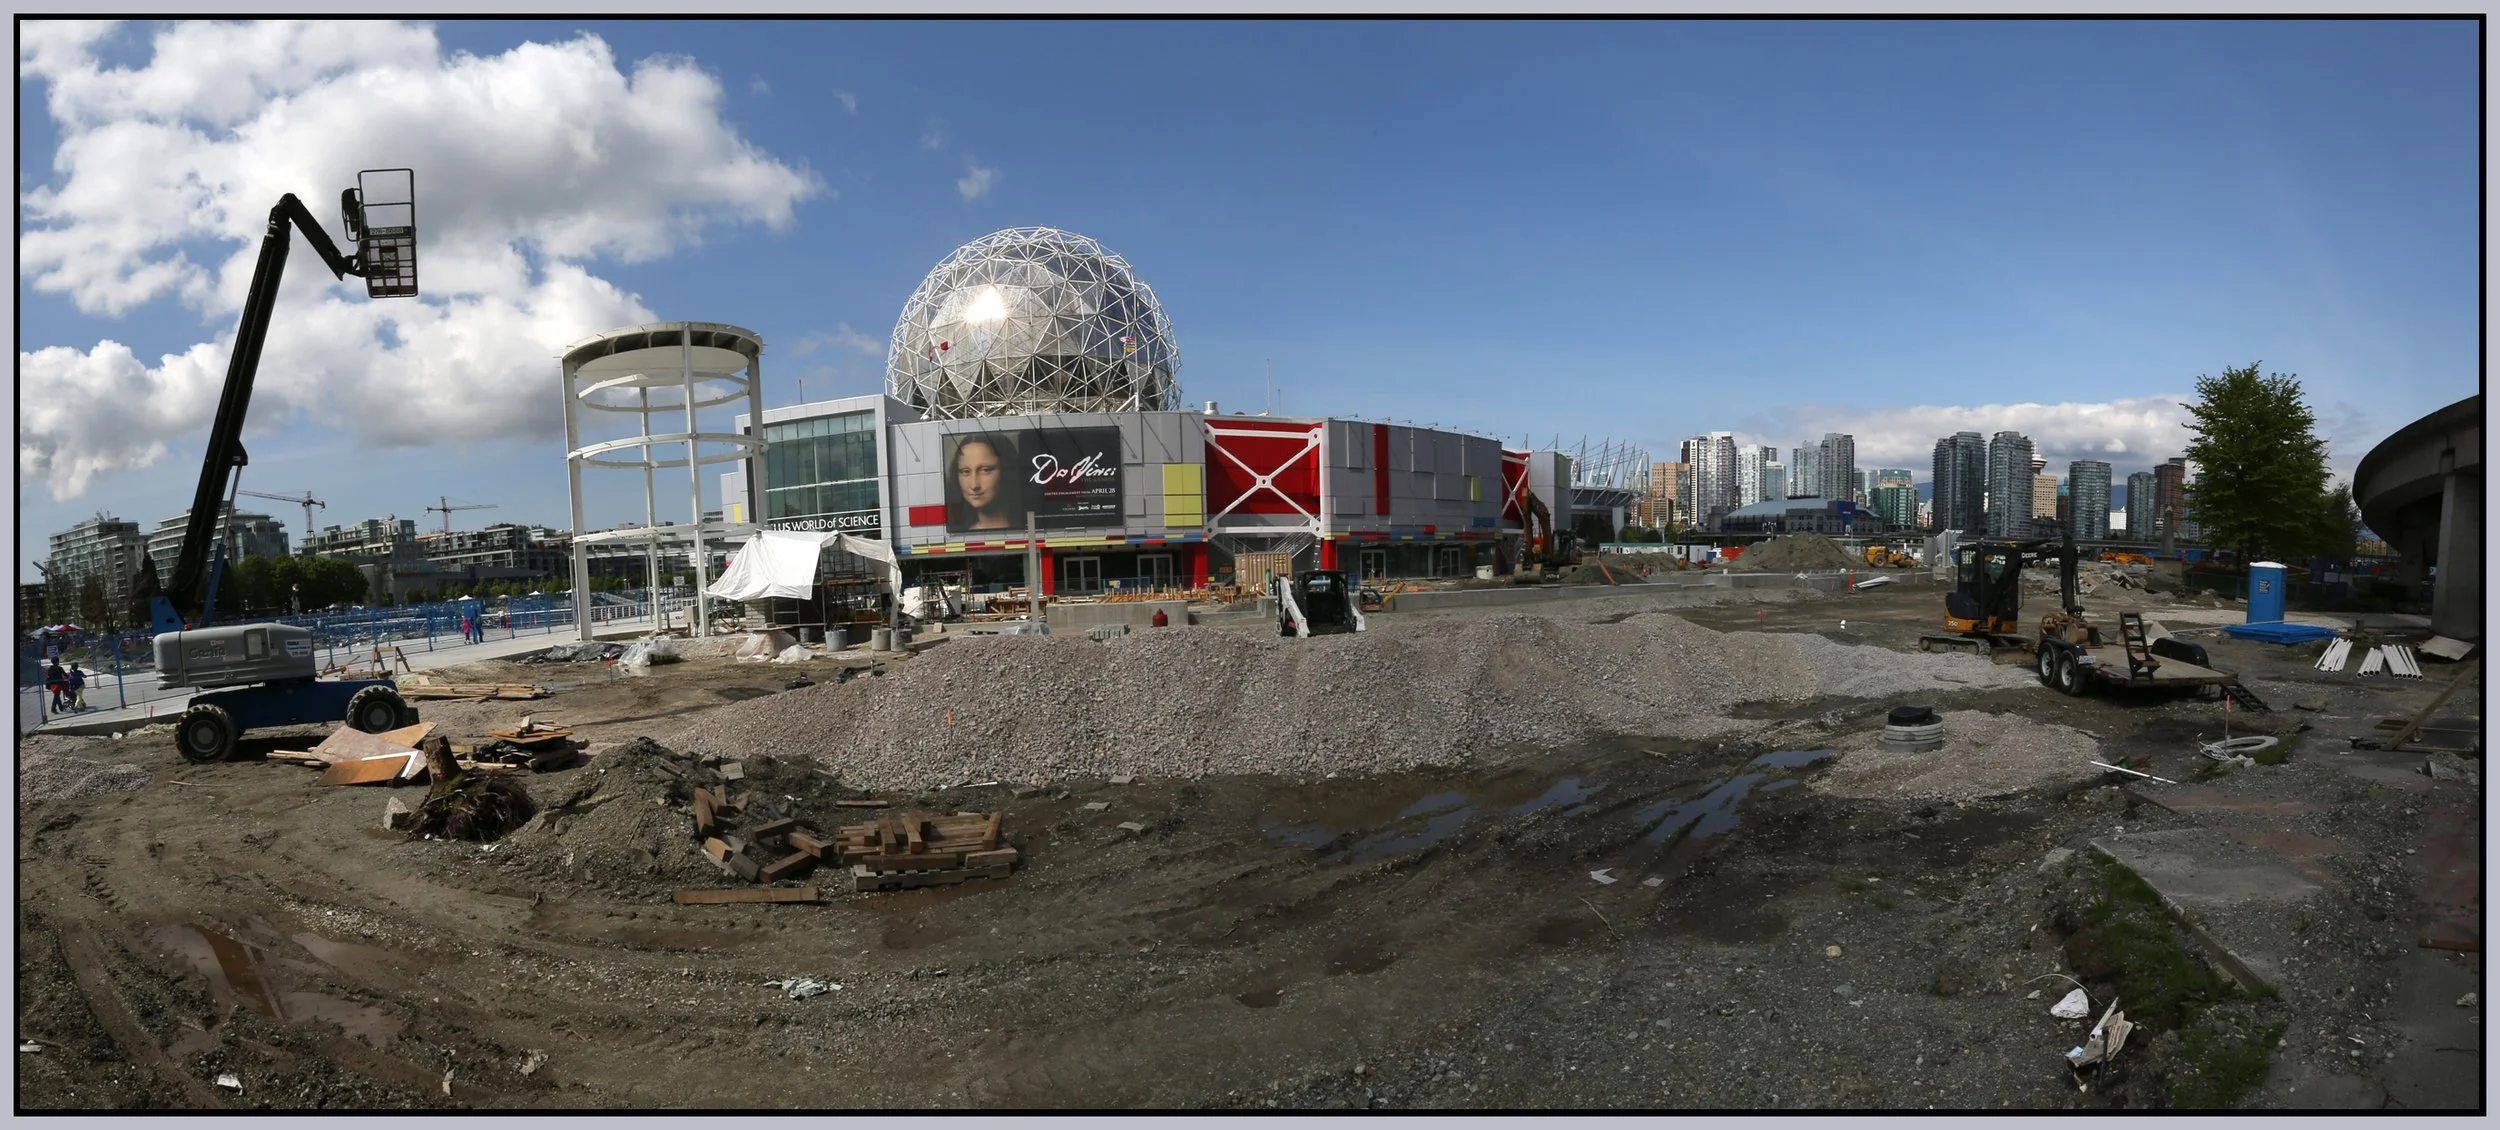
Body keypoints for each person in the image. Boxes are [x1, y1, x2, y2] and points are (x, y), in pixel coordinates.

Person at [947, 433, 1024, 531]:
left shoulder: (1029, 526)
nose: (974, 485)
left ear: (1007, 471)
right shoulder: (954, 533)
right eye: (965, 472)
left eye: (985, 470)